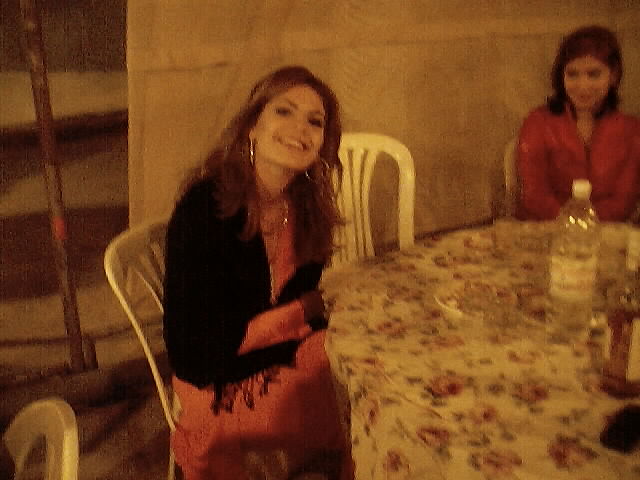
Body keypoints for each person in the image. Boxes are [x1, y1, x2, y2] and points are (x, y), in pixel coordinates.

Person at [162, 66, 353, 479]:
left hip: (272, 356)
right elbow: (195, 355)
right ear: (252, 126)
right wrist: (298, 316)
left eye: (315, 121)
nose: (300, 129)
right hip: (215, 385)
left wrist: (297, 326)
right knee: (356, 408)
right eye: (284, 111)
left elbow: (301, 309)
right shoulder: (207, 208)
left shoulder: (304, 206)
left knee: (368, 372)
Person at [516, 25, 640, 222]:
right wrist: (571, 224)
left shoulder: (632, 130)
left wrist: (586, 225)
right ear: (562, 76)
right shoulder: (538, 122)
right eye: (572, 74)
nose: (583, 86)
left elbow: (624, 201)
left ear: (613, 76)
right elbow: (535, 196)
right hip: (546, 229)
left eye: (593, 74)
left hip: (606, 231)